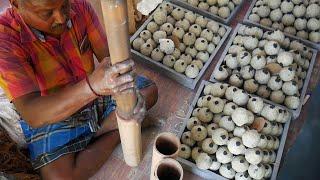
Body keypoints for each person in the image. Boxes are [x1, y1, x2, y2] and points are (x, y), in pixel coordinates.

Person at [0, 0, 158, 179]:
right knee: (59, 176)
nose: (61, 18)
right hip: (52, 113)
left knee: (148, 92)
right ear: (15, 4)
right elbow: (33, 114)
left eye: (64, 5)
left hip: (96, 94)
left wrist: (124, 87)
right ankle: (114, 129)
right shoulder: (5, 39)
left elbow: (108, 57)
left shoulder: (80, 7)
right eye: (47, 13)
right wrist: (92, 87)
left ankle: (102, 132)